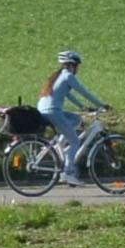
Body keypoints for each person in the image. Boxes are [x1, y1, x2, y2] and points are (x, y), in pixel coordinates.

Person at [34, 50, 109, 188]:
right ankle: (68, 173)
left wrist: (82, 107)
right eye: (77, 66)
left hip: (45, 110)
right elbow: (83, 92)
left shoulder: (58, 76)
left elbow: (68, 95)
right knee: (75, 141)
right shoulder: (68, 76)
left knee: (76, 119)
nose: (78, 69)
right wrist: (101, 105)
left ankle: (61, 146)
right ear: (71, 65)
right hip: (53, 112)